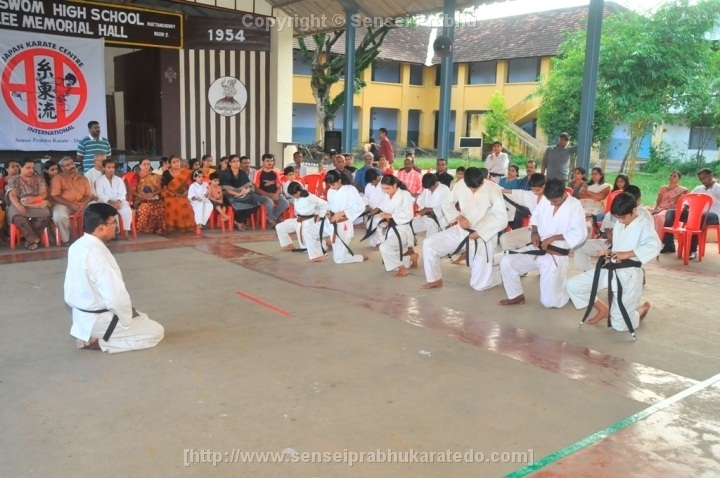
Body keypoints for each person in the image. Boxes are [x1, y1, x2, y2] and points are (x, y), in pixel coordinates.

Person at [65, 203, 164, 353]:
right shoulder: (97, 255)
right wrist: (126, 316)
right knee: (155, 332)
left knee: (142, 317)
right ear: (100, 227)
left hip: (82, 317)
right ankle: (100, 342)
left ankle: (95, 334)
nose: (116, 227)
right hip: (99, 320)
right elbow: (114, 296)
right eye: (113, 223)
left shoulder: (77, 245)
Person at [567, 192, 660, 333]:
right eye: (618, 218)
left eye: (623, 217)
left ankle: (642, 309)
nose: (620, 221)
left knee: (620, 325)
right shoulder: (620, 224)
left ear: (634, 210)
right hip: (610, 269)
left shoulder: (643, 225)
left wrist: (626, 254)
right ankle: (604, 309)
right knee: (573, 285)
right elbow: (618, 247)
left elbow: (654, 246)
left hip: (629, 275)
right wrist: (608, 253)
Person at [498, 179, 587, 307]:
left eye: (555, 201)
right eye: (550, 200)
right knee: (507, 262)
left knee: (550, 302)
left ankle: (569, 290)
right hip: (537, 249)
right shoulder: (546, 199)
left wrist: (553, 238)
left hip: (555, 256)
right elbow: (536, 217)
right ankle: (516, 296)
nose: (551, 203)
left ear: (563, 193)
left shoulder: (574, 205)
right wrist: (534, 232)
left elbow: (579, 233)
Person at [421, 167, 507, 290]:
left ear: (483, 179)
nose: (473, 190)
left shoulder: (493, 189)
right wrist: (459, 217)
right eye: (471, 187)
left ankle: (504, 273)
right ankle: (434, 279)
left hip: (483, 237)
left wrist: (480, 233)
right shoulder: (460, 184)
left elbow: (502, 219)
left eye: (476, 187)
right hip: (462, 230)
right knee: (429, 244)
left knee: (479, 285)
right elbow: (446, 203)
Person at [573, 184, 652, 271]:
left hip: (628, 253)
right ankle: (586, 273)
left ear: (639, 200)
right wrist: (609, 234)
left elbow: (649, 244)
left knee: (610, 267)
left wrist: (623, 253)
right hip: (612, 245)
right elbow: (607, 221)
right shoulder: (619, 207)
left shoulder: (644, 216)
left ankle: (636, 270)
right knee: (580, 246)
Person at [304, 170, 368, 264]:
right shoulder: (331, 191)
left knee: (339, 260)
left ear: (339, 180)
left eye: (333, 184)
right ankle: (316, 255)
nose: (331, 187)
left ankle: (361, 257)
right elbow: (330, 205)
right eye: (329, 185)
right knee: (308, 231)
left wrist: (342, 213)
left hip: (342, 225)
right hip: (329, 222)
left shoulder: (350, 189)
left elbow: (360, 207)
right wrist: (328, 212)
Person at [660, 168, 720, 259]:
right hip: (695, 215)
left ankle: (692, 250)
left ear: (711, 175)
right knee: (671, 213)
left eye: (705, 178)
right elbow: (686, 201)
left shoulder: (717, 188)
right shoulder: (698, 189)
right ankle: (669, 245)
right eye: (701, 179)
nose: (703, 180)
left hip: (713, 215)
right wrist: (682, 208)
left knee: (699, 217)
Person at [5, 158, 51, 249]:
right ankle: (34, 239)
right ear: (20, 167)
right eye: (28, 167)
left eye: (32, 168)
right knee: (17, 217)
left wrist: (34, 199)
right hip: (18, 202)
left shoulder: (39, 178)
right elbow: (12, 194)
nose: (31, 170)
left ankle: (31, 239)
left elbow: (44, 193)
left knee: (46, 215)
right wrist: (18, 205)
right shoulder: (13, 179)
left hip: (36, 202)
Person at [377, 175, 418, 277]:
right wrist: (385, 218)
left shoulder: (405, 195)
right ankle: (410, 258)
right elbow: (383, 210)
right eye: (384, 188)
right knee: (390, 260)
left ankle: (402, 268)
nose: (386, 191)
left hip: (402, 230)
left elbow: (409, 214)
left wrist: (390, 216)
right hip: (391, 229)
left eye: (388, 188)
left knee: (384, 248)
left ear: (395, 185)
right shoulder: (387, 196)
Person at [497, 173, 546, 252]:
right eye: (533, 189)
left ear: (544, 186)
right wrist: (499, 190)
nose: (535, 192)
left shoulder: (552, 199)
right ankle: (511, 256)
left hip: (548, 234)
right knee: (504, 239)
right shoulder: (531, 195)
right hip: (534, 231)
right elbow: (515, 193)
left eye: (537, 190)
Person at [50, 156, 93, 245]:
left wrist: (83, 204)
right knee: (59, 216)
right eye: (67, 165)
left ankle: (92, 237)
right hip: (63, 204)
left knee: (96, 208)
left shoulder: (83, 178)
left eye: (72, 163)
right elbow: (54, 195)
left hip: (81, 203)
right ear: (62, 168)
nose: (71, 166)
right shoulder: (57, 179)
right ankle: (66, 239)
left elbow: (88, 195)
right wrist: (70, 204)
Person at [277, 181, 327, 252]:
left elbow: (324, 204)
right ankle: (289, 245)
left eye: (293, 195)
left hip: (308, 222)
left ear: (298, 192)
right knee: (279, 227)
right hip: (298, 220)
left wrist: (320, 216)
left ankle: (325, 243)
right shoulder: (297, 197)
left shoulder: (310, 197)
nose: (293, 196)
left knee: (306, 249)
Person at [219, 155, 259, 230]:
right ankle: (240, 222)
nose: (236, 163)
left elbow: (247, 186)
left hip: (243, 194)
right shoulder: (224, 173)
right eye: (234, 161)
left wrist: (246, 191)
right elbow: (226, 189)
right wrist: (238, 194)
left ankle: (238, 221)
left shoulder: (242, 173)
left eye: (237, 161)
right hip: (229, 195)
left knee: (256, 200)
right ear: (230, 163)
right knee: (238, 204)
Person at [95, 159, 133, 237]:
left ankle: (126, 231)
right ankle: (113, 232)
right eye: (108, 167)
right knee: (111, 212)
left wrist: (118, 201)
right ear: (103, 168)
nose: (111, 169)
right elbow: (100, 195)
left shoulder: (119, 180)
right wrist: (112, 202)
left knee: (126, 210)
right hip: (106, 202)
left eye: (113, 167)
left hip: (119, 201)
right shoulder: (99, 180)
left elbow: (123, 193)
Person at [649, 170, 688, 239]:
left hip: (670, 209)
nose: (671, 177)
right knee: (646, 213)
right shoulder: (663, 188)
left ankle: (659, 239)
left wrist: (666, 208)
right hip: (659, 208)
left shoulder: (682, 190)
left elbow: (679, 204)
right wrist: (654, 208)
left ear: (679, 179)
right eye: (671, 175)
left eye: (674, 176)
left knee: (659, 217)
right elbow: (658, 201)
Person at [253, 153, 289, 228]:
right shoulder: (258, 173)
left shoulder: (275, 172)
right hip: (262, 196)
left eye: (271, 161)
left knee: (285, 203)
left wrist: (276, 194)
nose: (270, 163)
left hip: (274, 194)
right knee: (269, 202)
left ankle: (271, 218)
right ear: (263, 161)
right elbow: (256, 189)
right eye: (267, 161)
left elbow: (279, 186)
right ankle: (272, 220)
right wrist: (270, 195)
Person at [160, 155, 195, 231]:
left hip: (184, 193)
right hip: (170, 194)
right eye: (174, 162)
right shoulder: (166, 173)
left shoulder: (186, 172)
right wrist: (174, 194)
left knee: (184, 201)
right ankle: (171, 225)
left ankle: (185, 225)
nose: (176, 164)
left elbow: (190, 185)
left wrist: (186, 192)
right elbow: (164, 186)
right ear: (170, 164)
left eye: (178, 162)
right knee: (170, 202)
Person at [413, 173, 451, 238]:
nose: (429, 189)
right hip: (426, 217)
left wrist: (427, 209)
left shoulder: (444, 189)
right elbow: (420, 200)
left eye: (430, 187)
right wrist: (422, 209)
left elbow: (446, 207)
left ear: (436, 182)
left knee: (430, 240)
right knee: (410, 224)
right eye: (428, 188)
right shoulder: (427, 189)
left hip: (439, 219)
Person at [134, 158, 166, 234]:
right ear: (140, 166)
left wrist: (153, 194)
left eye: (148, 164)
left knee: (161, 205)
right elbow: (132, 191)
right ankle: (144, 228)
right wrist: (143, 196)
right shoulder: (136, 176)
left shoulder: (154, 176)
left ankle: (158, 228)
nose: (146, 166)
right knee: (146, 206)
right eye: (144, 164)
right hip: (140, 198)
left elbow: (159, 189)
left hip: (152, 197)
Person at [361, 169, 386, 247]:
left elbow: (388, 199)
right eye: (370, 182)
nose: (372, 184)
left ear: (378, 177)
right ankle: (379, 241)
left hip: (384, 211)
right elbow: (366, 197)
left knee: (372, 224)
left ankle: (380, 242)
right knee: (371, 239)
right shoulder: (369, 185)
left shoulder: (385, 182)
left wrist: (377, 209)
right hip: (372, 211)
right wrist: (367, 206)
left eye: (373, 182)